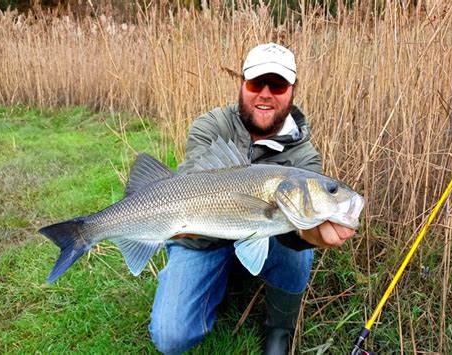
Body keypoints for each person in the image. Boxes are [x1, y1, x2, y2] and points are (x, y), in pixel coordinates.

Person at [149, 42, 356, 354]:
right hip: (201, 240)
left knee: (300, 225)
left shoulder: (305, 156)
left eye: (278, 85)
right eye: (256, 83)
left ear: (292, 90)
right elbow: (190, 183)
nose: (266, 93)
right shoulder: (211, 125)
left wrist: (310, 235)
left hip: (268, 234)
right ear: (242, 84)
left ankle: (280, 328)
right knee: (170, 338)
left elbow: (300, 235)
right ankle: (219, 276)